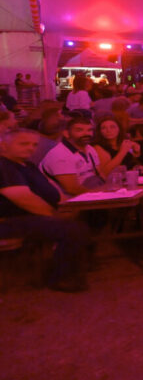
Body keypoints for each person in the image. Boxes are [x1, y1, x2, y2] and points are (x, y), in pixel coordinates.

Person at [0, 127, 90, 292]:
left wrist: (69, 205)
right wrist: (54, 214)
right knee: (71, 229)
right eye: (23, 144)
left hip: (30, 217)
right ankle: (61, 278)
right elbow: (23, 198)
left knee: (86, 216)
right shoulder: (4, 166)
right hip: (9, 221)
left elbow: (51, 188)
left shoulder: (28, 165)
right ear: (4, 146)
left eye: (34, 145)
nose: (30, 148)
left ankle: (78, 264)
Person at [40, 116, 104, 196]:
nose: (86, 134)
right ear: (66, 133)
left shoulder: (90, 148)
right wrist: (102, 194)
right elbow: (72, 189)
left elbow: (100, 174)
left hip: (92, 191)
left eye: (89, 130)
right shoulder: (60, 154)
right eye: (79, 130)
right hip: (70, 199)